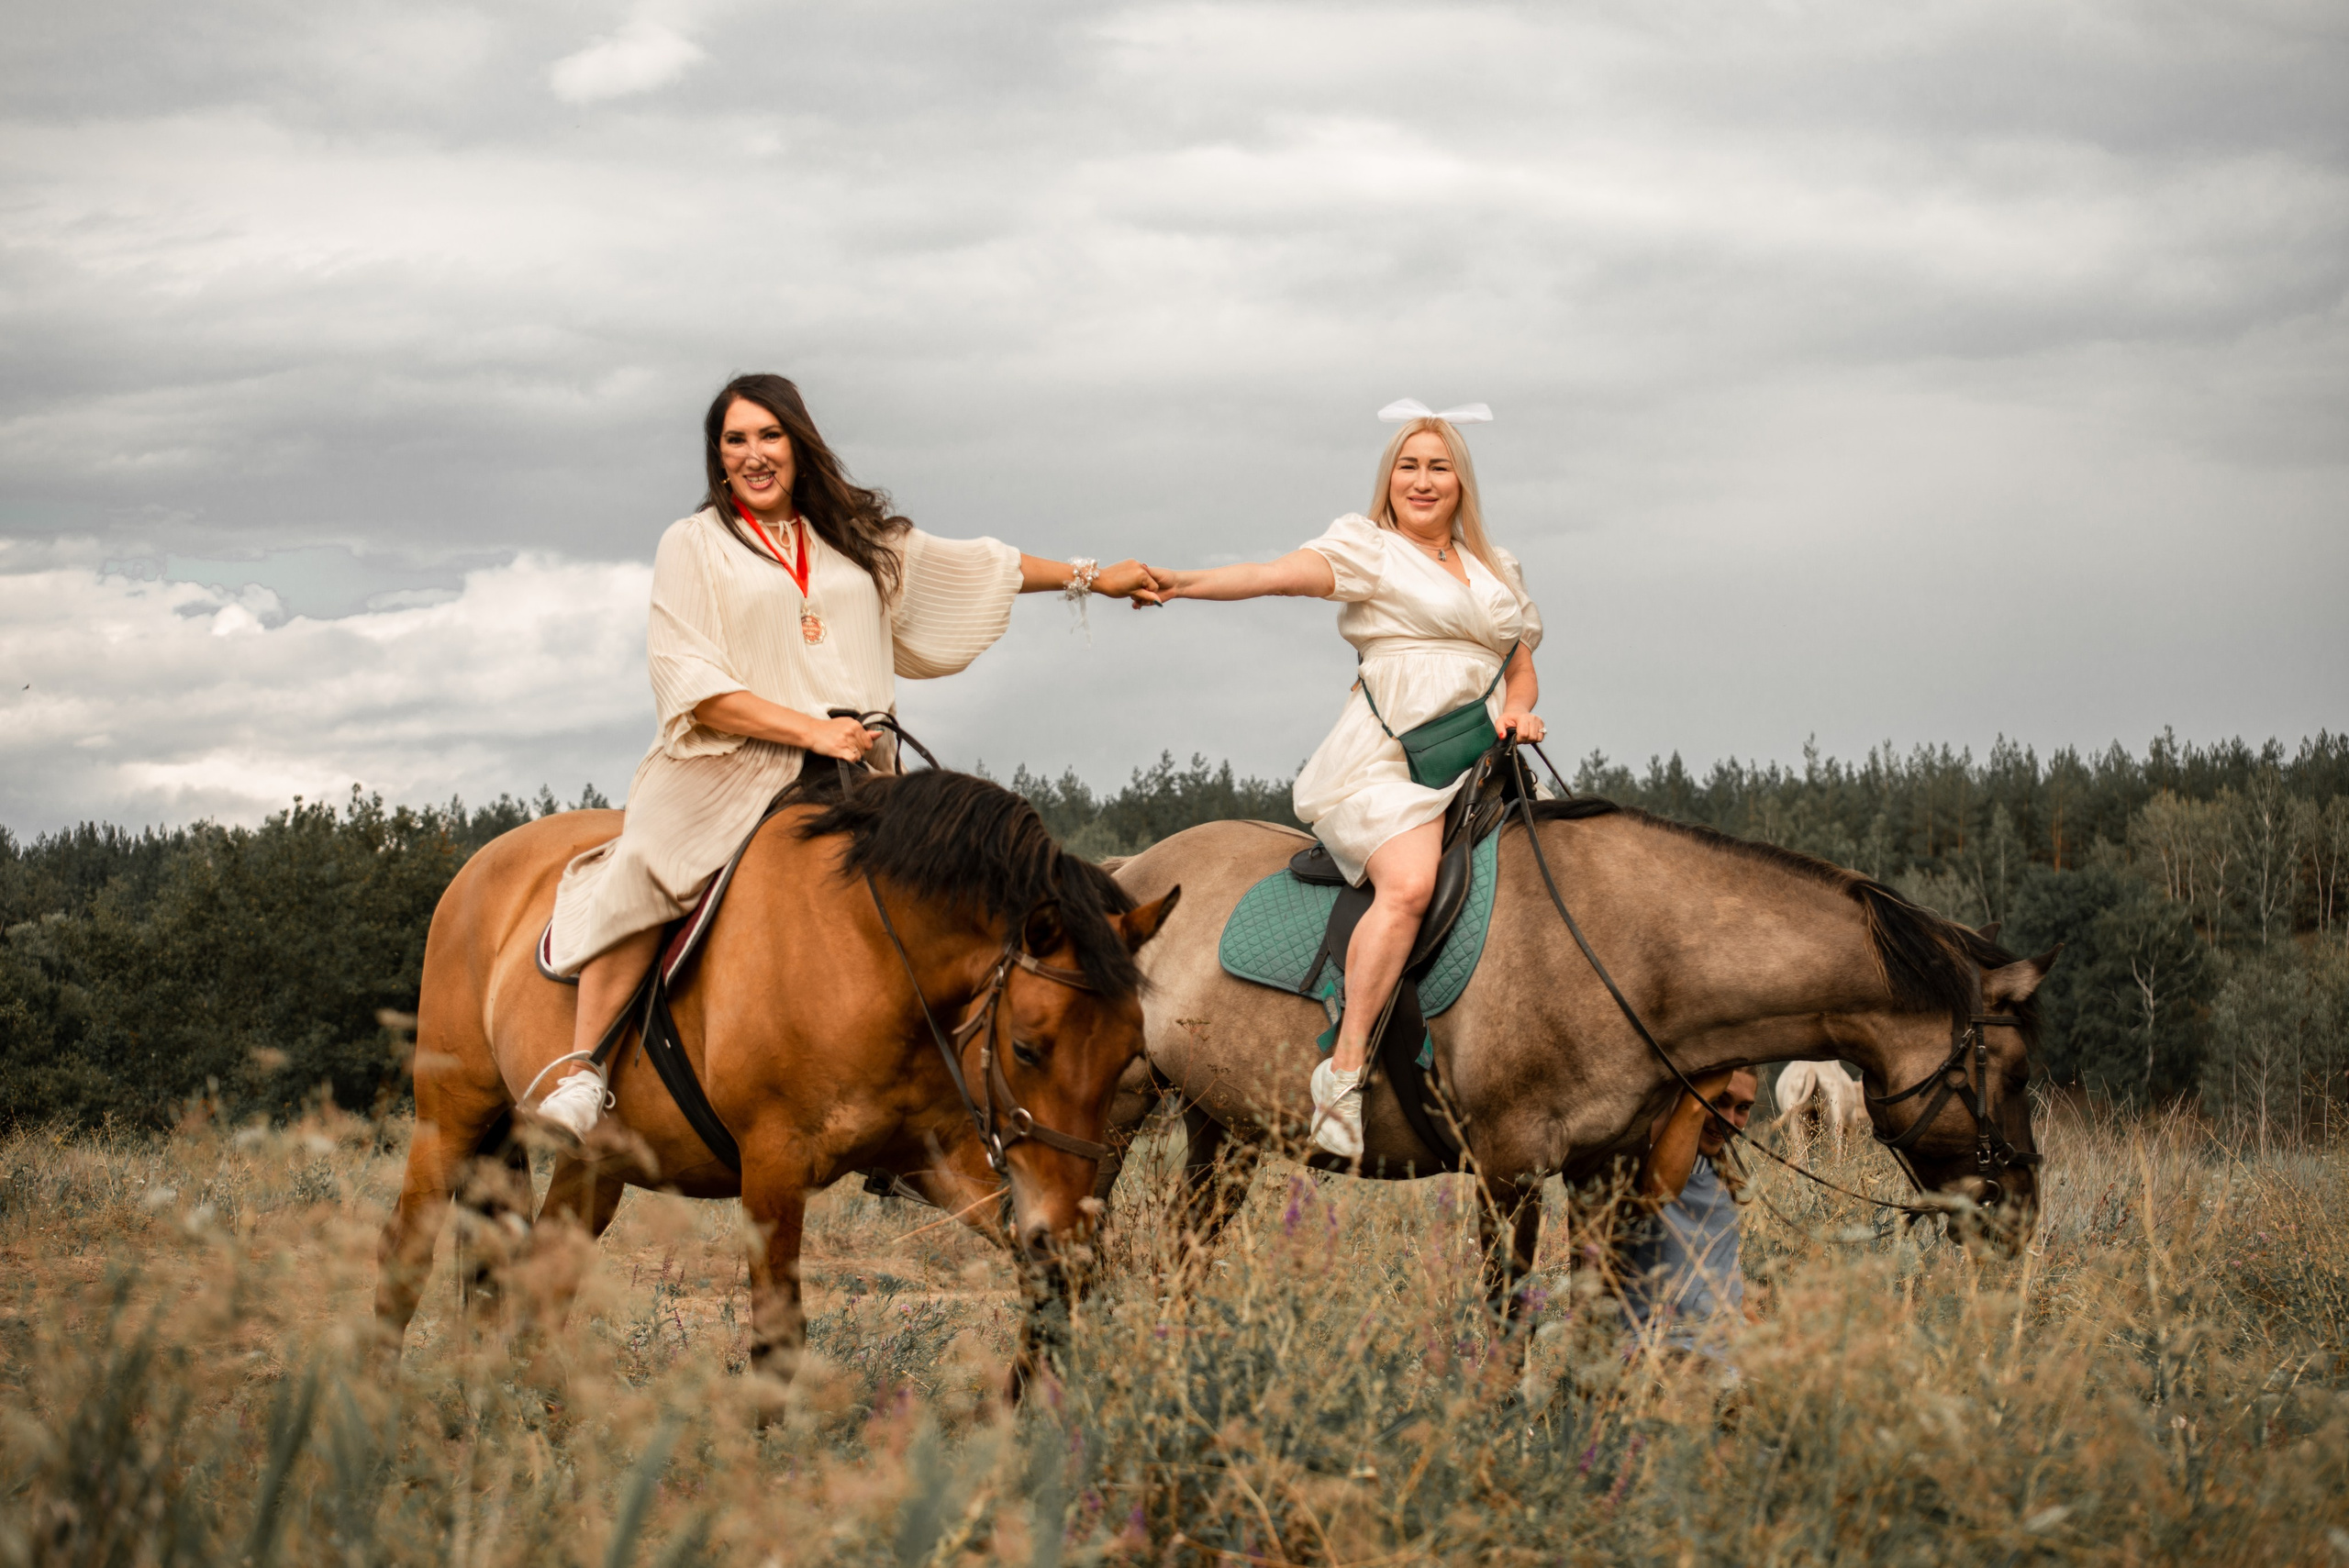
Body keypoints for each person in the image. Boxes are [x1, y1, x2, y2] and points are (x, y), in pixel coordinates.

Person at [534, 373, 1158, 1138]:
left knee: (945, 902)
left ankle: (929, 1094)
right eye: (736, 439)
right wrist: (809, 730)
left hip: (858, 770)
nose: (754, 454)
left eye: (770, 435)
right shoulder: (692, 544)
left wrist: (1092, 577)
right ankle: (583, 1067)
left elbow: (978, 566)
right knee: (649, 862)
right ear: (717, 455)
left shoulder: (857, 539)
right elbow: (690, 680)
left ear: (799, 444)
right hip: (724, 766)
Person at [1137, 401, 1544, 1156]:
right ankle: (1344, 1073)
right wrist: (1185, 582)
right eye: (1408, 466)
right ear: (1389, 478)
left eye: (1439, 466)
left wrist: (1520, 710)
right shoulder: (1370, 549)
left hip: (1482, 758)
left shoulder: (1498, 568)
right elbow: (1274, 575)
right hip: (1390, 762)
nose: (1422, 480)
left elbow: (1520, 668)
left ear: (1461, 481)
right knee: (1410, 885)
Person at [1617, 1067, 1760, 1358]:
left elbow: (1727, 1286)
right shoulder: (1641, 1168)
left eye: (1742, 1108)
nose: (1729, 1120)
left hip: (1726, 1352)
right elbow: (1656, 1192)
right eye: (1717, 1101)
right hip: (1659, 1353)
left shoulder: (1718, 1177)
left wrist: (1777, 1345)